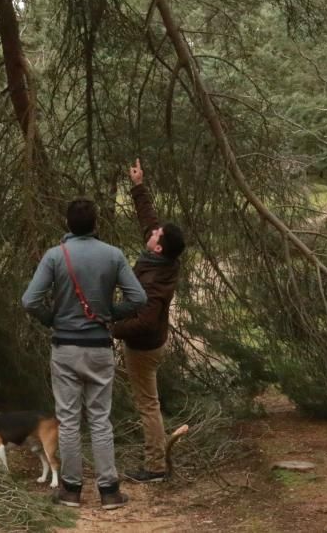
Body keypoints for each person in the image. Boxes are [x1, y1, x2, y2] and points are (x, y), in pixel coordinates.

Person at [22, 198, 146, 510]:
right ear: (95, 225)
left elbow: (30, 300)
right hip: (99, 348)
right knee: (100, 419)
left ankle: (71, 490)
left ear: (68, 224)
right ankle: (109, 491)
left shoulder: (54, 256)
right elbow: (138, 297)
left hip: (65, 348)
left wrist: (52, 318)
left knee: (68, 419)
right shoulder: (113, 255)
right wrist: (109, 315)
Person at [112, 159, 186, 484]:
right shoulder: (159, 258)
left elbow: (142, 323)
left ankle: (155, 467)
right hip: (147, 342)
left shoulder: (155, 282)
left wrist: (109, 328)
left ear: (158, 246)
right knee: (148, 401)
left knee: (147, 404)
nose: (152, 231)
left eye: (156, 234)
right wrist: (139, 186)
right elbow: (149, 221)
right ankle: (156, 458)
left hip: (144, 347)